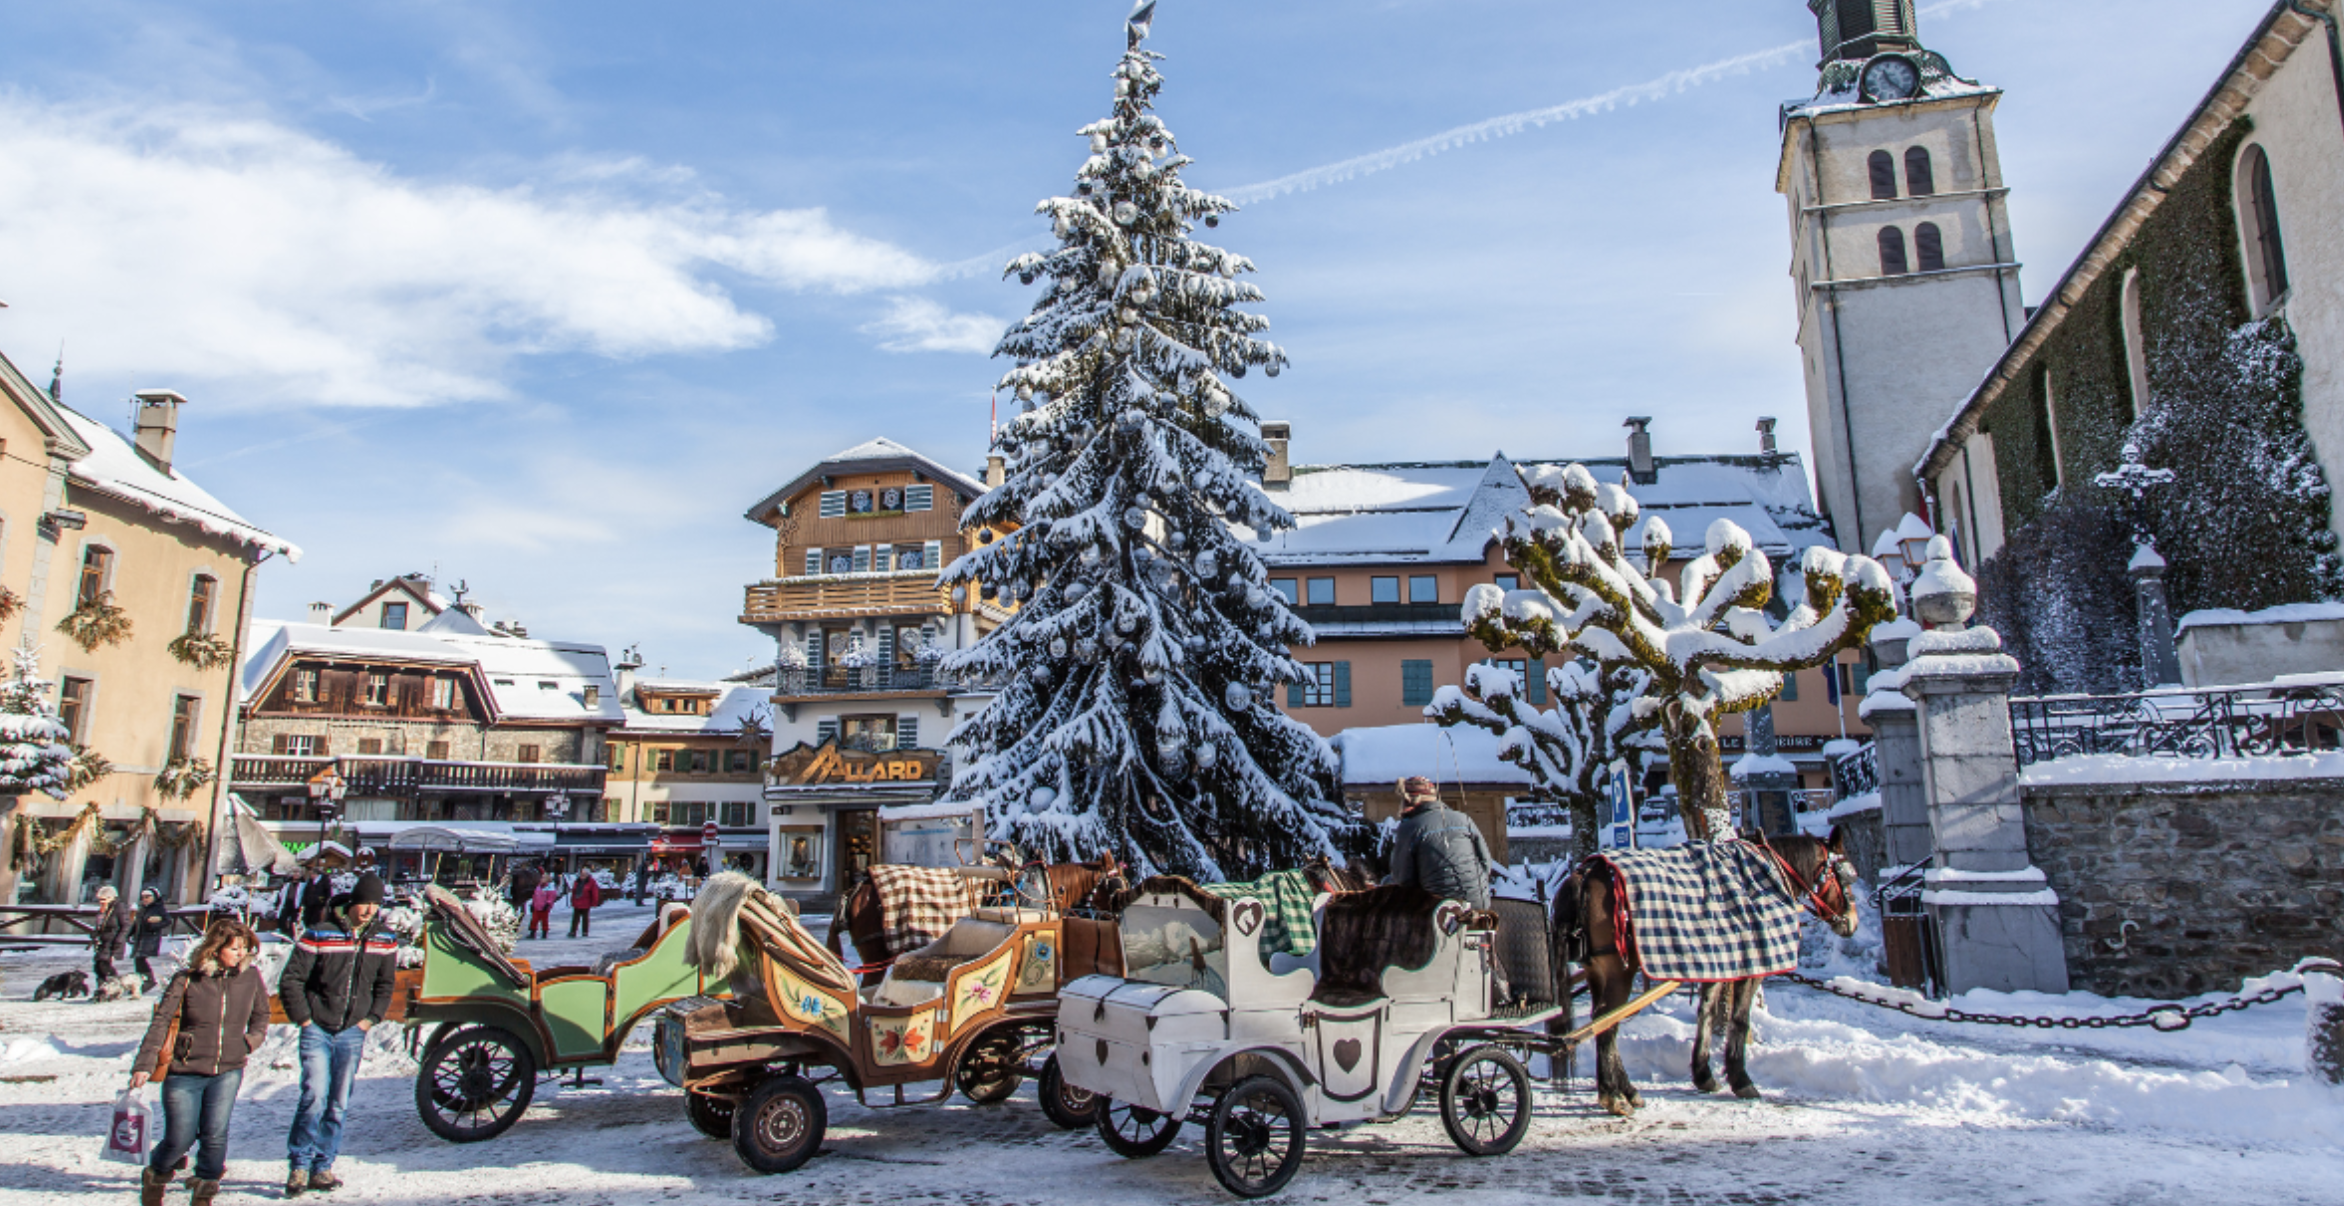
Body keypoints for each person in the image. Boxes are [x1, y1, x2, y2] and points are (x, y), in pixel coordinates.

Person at [129, 919, 268, 1206]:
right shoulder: (188, 979)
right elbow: (161, 1021)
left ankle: (205, 1188)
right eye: (234, 948)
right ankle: (157, 1173)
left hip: (228, 1069)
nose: (240, 954)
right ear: (216, 949)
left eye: (244, 948)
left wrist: (250, 1041)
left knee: (215, 1133)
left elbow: (261, 1015)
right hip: (185, 1070)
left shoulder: (250, 977)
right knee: (180, 1136)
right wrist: (144, 1064)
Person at [278, 872, 397, 1196]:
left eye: (375, 904)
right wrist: (304, 1018)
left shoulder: (384, 939)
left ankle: (323, 1165)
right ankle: (299, 1165)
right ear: (354, 902)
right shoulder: (319, 933)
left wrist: (371, 1018)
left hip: (352, 1029)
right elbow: (291, 979)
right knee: (314, 1096)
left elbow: (385, 984)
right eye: (365, 903)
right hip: (318, 1026)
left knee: (338, 1102)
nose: (370, 910)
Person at [1383, 777, 1493, 909]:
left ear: (1409, 801)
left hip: (1438, 909)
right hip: (1479, 903)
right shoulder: (1464, 819)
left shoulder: (1410, 828)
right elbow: (1486, 862)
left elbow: (1403, 879)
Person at [131, 887, 172, 992]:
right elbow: (137, 923)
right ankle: (143, 981)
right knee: (138, 960)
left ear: (154, 897)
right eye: (143, 897)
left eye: (148, 897)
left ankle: (148, 981)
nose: (145, 899)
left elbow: (167, 920)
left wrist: (154, 925)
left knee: (140, 959)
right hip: (140, 937)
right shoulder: (143, 908)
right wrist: (130, 933)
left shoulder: (158, 908)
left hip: (150, 937)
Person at [92, 884, 128, 986]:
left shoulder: (119, 907)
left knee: (104, 966)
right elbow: (101, 924)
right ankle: (102, 988)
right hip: (103, 941)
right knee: (98, 966)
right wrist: (96, 932)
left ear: (110, 898)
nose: (101, 902)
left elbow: (125, 925)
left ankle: (114, 985)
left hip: (113, 940)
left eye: (103, 899)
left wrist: (119, 940)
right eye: (99, 900)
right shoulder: (104, 909)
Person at [567, 870, 602, 938]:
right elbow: (574, 891)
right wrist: (572, 900)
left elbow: (594, 892)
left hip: (586, 902)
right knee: (575, 918)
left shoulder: (591, 882)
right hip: (577, 901)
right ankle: (573, 931)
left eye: (583, 875)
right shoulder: (577, 881)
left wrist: (594, 902)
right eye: (581, 875)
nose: (581, 876)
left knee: (585, 918)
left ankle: (585, 932)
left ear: (587, 875)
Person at [528, 876, 559, 941]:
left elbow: (551, 896)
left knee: (544, 920)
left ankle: (544, 932)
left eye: (544, 878)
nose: (542, 879)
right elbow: (535, 896)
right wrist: (533, 904)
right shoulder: (538, 887)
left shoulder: (549, 887)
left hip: (544, 907)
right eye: (541, 878)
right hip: (537, 906)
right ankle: (532, 932)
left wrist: (548, 904)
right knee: (534, 920)